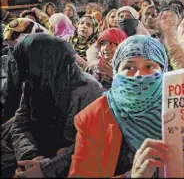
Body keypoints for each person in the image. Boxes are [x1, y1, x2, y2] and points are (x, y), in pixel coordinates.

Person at [1, 34, 103, 178]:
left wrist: (46, 169)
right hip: (37, 156)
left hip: (71, 164)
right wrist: (28, 156)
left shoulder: (88, 90)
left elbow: (90, 144)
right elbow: (20, 123)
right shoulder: (35, 81)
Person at [68, 35, 169, 178]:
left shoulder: (180, 107)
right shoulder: (95, 116)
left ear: (163, 70)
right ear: (116, 72)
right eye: (129, 67)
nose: (139, 75)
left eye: (149, 66)